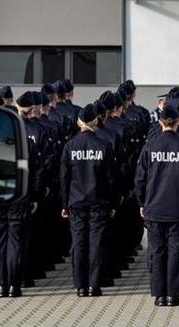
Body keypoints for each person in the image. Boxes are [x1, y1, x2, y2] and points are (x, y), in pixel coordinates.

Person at [135, 98, 179, 307]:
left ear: (161, 122)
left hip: (154, 207)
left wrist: (141, 201)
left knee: (156, 250)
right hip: (178, 207)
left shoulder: (150, 146)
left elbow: (140, 178)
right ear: (177, 122)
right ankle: (173, 294)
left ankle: (159, 294)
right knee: (176, 251)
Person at [0, 91, 45, 298]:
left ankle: (1, 285)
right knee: (15, 242)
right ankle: (14, 285)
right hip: (19, 197)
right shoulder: (26, 144)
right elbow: (37, 171)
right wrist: (35, 196)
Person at [60, 104, 117, 297]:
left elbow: (64, 177)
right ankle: (94, 284)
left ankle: (80, 285)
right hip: (98, 201)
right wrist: (112, 203)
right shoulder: (103, 145)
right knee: (96, 243)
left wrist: (64, 204)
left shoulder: (70, 146)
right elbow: (110, 178)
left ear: (78, 123)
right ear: (95, 121)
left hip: (76, 201)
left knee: (78, 243)